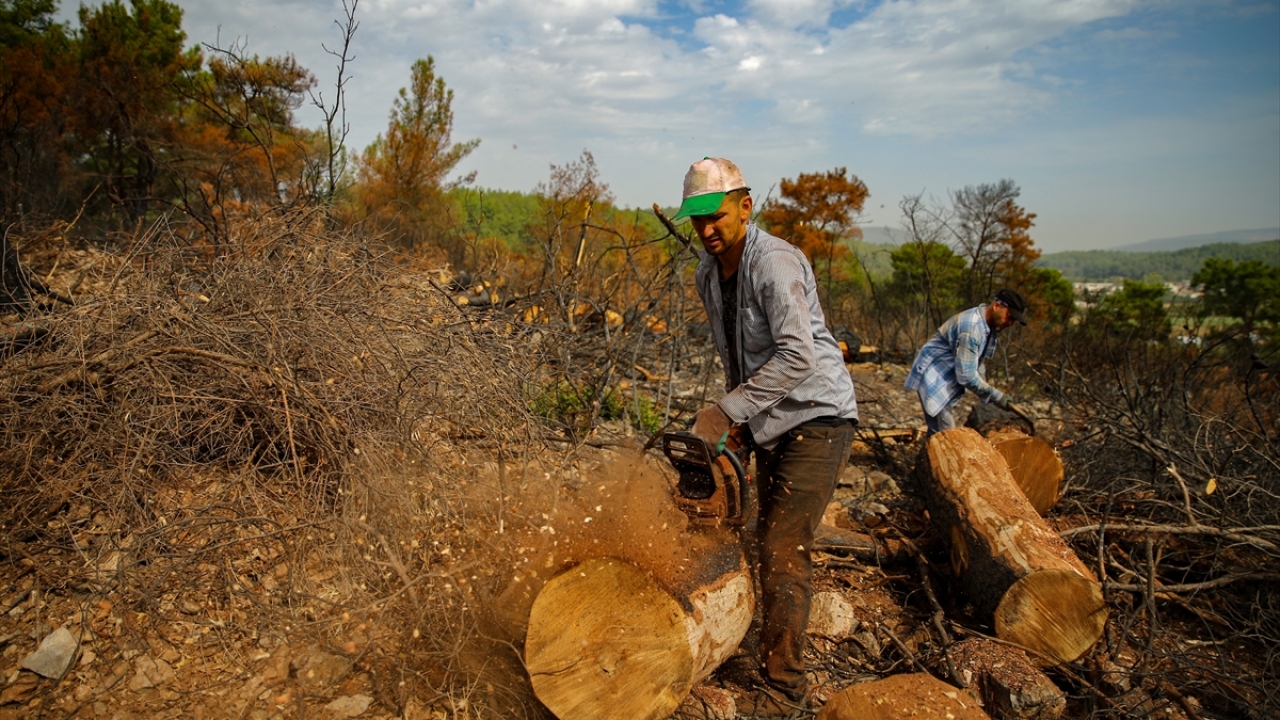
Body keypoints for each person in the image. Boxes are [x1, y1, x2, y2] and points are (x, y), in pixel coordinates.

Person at [675, 157, 859, 704]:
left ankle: (785, 689)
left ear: (745, 207)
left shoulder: (773, 262)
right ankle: (741, 636)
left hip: (817, 414)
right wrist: (739, 430)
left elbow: (798, 355)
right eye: (697, 220)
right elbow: (738, 356)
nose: (707, 229)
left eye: (717, 216)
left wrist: (728, 411)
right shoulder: (708, 274)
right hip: (768, 417)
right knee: (731, 519)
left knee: (782, 544)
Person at [904, 288, 1029, 436]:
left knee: (940, 434)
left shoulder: (989, 327)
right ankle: (929, 457)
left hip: (947, 374)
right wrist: (996, 396)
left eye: (1013, 320)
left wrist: (986, 390)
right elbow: (967, 376)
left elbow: (978, 362)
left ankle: (926, 455)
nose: (1010, 323)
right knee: (945, 434)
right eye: (1009, 316)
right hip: (934, 375)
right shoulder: (971, 329)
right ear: (997, 306)